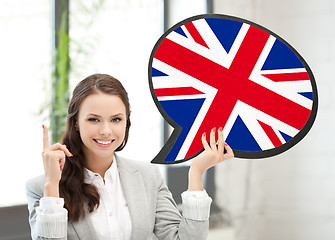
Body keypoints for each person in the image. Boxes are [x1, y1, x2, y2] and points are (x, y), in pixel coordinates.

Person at [25, 74, 234, 240]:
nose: (106, 131)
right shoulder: (40, 188)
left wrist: (196, 172)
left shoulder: (148, 177)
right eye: (94, 120)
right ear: (77, 122)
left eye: (116, 119)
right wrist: (52, 184)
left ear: (126, 122)